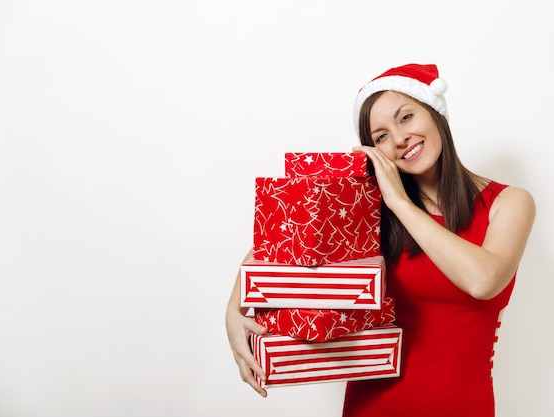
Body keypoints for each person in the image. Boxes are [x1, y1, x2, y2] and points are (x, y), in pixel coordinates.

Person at [225, 63, 536, 417]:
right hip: (373, 406)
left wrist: (400, 203)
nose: (399, 139)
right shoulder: (367, 208)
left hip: (463, 405)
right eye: (381, 136)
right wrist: (232, 312)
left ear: (436, 114)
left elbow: (483, 281)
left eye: (406, 118)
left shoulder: (508, 203)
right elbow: (280, 238)